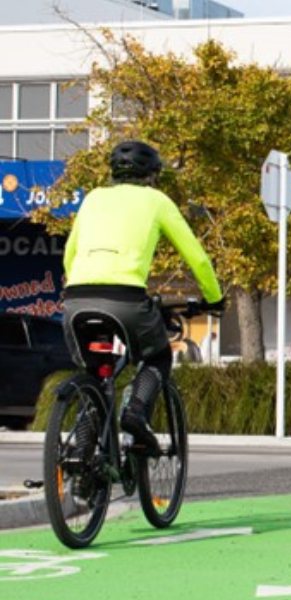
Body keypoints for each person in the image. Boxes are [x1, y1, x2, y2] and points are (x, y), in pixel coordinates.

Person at [63, 140, 224, 453]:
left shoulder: (93, 198)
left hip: (76, 297)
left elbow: (70, 253)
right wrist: (213, 297)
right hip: (125, 298)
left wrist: (79, 283)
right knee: (157, 356)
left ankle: (81, 453)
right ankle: (136, 412)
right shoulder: (157, 201)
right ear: (152, 174)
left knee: (94, 373)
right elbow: (197, 257)